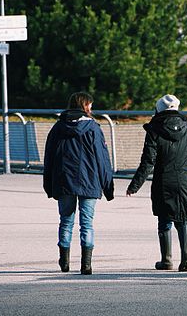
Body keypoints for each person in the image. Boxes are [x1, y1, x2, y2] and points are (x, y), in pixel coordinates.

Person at [126, 94, 187, 272]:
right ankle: (186, 257)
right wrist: (185, 156)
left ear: (158, 109)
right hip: (185, 179)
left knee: (164, 219)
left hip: (163, 179)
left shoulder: (154, 129)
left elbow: (148, 161)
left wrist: (134, 185)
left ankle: (167, 260)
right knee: (184, 218)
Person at [43, 92, 114, 275]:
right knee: (87, 224)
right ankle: (86, 264)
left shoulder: (58, 127)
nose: (91, 108)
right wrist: (108, 186)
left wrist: (48, 183)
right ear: (85, 106)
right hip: (89, 181)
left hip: (64, 180)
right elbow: (102, 158)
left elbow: (49, 158)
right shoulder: (93, 128)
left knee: (66, 221)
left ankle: (64, 262)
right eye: (90, 104)